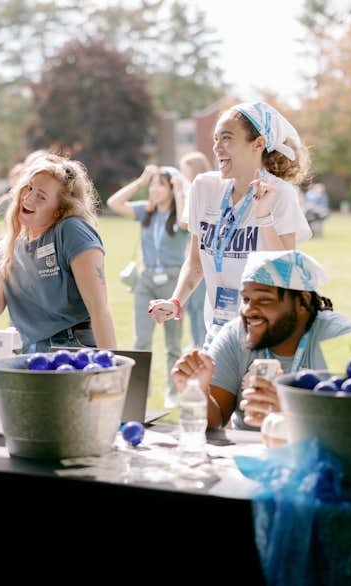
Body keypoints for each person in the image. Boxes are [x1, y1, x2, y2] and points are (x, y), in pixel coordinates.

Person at [149, 101, 313, 347]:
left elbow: (285, 273)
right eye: (215, 139)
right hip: (218, 333)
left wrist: (263, 215)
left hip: (266, 336)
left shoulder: (280, 194)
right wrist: (175, 302)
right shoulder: (203, 188)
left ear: (258, 144)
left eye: (226, 138)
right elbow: (196, 263)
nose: (217, 148)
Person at [171, 250, 351, 430]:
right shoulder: (234, 335)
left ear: (302, 302)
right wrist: (198, 391)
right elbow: (214, 421)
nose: (248, 310)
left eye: (263, 300)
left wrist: (294, 414)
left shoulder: (343, 339)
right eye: (245, 299)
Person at [0, 153, 116, 352]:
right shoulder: (9, 244)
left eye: (41, 196)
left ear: (60, 209)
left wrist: (110, 371)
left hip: (71, 349)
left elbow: (99, 309)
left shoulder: (71, 230)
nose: (28, 197)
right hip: (27, 352)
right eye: (29, 187)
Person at [107, 164, 189, 407]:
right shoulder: (146, 212)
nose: (154, 189)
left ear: (171, 188)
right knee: (141, 341)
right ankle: (140, 389)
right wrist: (141, 181)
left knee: (173, 343)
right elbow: (114, 203)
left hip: (173, 282)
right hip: (146, 280)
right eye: (152, 185)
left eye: (159, 184)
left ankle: (173, 392)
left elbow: (185, 224)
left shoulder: (179, 212)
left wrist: (180, 192)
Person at [177, 151, 213, 349]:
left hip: (203, 256)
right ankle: (197, 339)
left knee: (199, 302)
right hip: (193, 255)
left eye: (185, 170)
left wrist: (177, 193)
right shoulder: (194, 188)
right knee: (192, 303)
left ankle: (200, 342)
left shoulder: (198, 190)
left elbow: (183, 221)